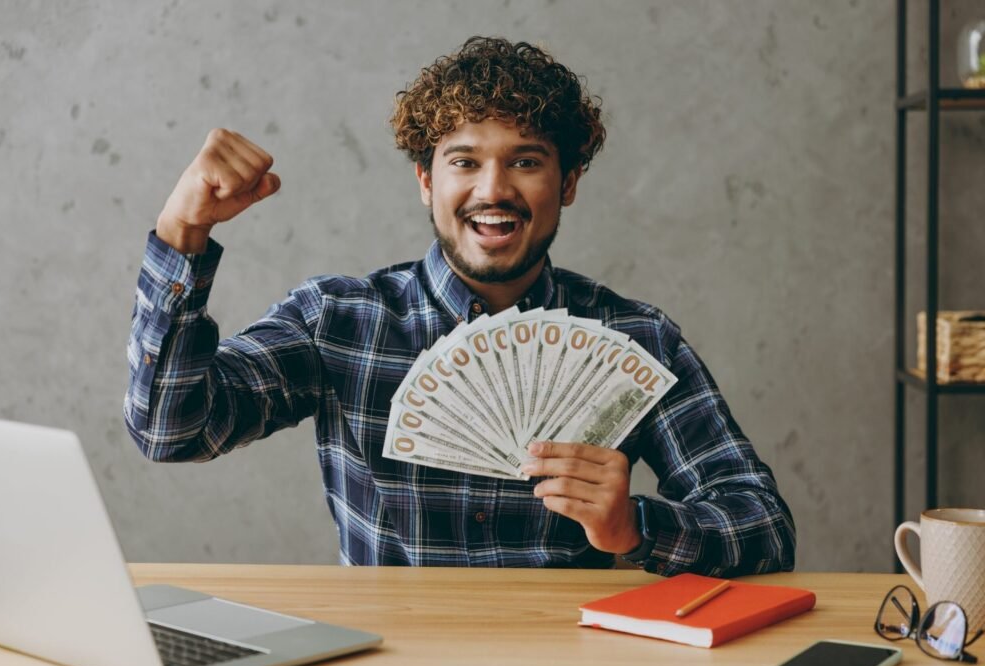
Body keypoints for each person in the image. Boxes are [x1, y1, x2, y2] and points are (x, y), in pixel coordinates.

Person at [125, 36, 796, 576]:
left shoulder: (636, 337)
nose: (493, 189)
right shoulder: (338, 321)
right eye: (465, 162)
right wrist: (183, 230)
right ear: (427, 180)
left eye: (526, 161)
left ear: (568, 183)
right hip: (392, 661)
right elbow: (171, 430)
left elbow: (764, 526)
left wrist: (634, 527)